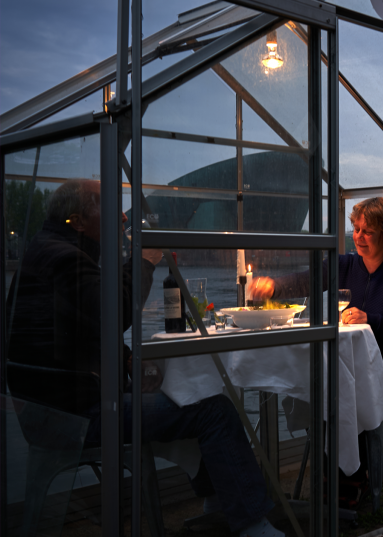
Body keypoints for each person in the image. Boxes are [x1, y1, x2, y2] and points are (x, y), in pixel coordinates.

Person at [6, 180, 282, 537]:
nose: (123, 216)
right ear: (77, 220)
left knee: (192, 392)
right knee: (213, 409)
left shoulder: (46, 252)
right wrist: (145, 260)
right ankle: (252, 523)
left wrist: (125, 359)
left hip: (51, 406)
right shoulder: (64, 259)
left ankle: (218, 497)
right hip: (75, 415)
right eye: (109, 206)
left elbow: (76, 331)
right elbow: (115, 311)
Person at [250, 197, 383, 504]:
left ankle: (349, 478)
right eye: (355, 229)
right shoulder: (344, 266)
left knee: (340, 388)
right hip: (345, 369)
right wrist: (274, 287)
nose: (358, 236)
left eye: (367, 231)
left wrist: (372, 319)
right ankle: (335, 471)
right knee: (321, 384)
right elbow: (306, 280)